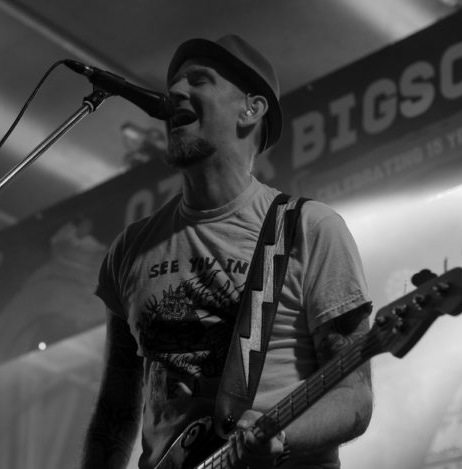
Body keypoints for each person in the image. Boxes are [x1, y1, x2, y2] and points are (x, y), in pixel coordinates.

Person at [80, 34, 374, 469]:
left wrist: (282, 437)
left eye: (198, 80)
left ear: (250, 110)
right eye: (174, 83)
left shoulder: (309, 229)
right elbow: (115, 412)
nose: (175, 91)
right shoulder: (130, 249)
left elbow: (354, 396)